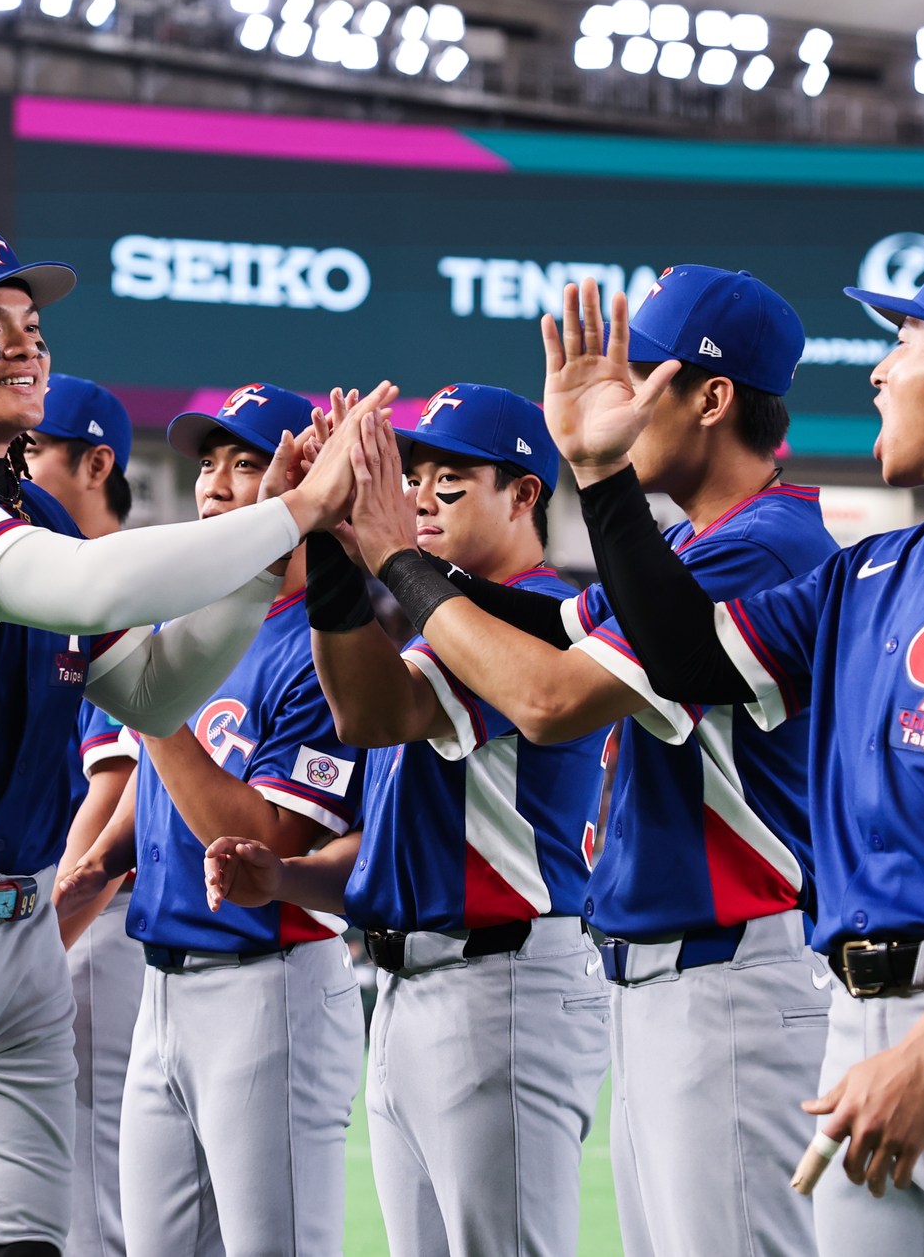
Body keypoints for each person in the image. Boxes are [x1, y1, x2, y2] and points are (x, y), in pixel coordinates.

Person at [0, 221, 385, 1257]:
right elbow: (86, 583)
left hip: (16, 929)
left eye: (30, 327)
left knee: (16, 1246)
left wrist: (271, 557)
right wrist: (292, 511)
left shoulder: (30, 506)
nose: (21, 346)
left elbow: (155, 684)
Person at [543, 243, 924, 1255]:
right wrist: (601, 481)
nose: (875, 370)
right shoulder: (874, 569)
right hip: (857, 1021)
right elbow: (686, 657)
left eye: (901, 339)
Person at [317, 273, 838, 1257]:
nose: (609, 395)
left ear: (711, 397)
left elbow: (547, 700)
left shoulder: (763, 548)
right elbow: (553, 623)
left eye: (638, 376)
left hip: (730, 972)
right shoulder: (691, 540)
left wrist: (398, 562)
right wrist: (352, 544)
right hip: (666, 978)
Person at [211, 384, 611, 1257]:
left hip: (502, 983)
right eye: (413, 472)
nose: (420, 493)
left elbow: (371, 713)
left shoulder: (536, 614)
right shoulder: (447, 621)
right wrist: (288, 879)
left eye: (451, 477)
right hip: (414, 983)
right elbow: (385, 837)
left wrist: (371, 553)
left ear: (524, 492)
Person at [83, 384, 371, 1257]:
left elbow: (263, 843)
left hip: (269, 979)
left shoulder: (325, 647)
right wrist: (87, 868)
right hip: (161, 981)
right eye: (208, 462)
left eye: (248, 463)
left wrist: (152, 705)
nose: (214, 484)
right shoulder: (193, 628)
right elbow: (145, 804)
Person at [22, 376, 144, 1257]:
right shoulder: (53, 584)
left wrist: (39, 932)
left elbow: (111, 797)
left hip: (97, 915)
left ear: (96, 462)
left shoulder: (128, 588)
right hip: (61, 909)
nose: (13, 467)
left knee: (94, 1193)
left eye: (32, 450)